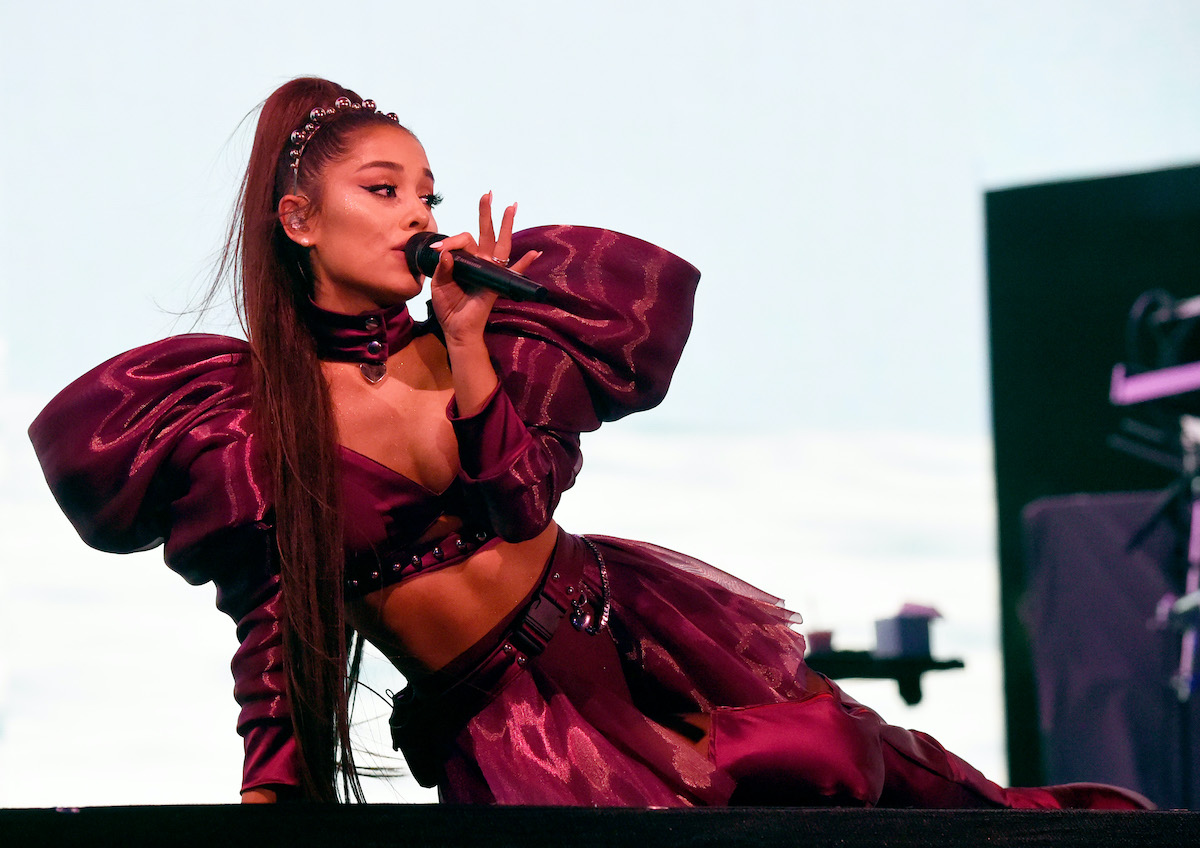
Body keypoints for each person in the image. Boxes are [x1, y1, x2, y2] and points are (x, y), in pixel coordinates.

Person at [28, 77, 1149, 809]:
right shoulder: (243, 421)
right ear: (299, 219)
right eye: (384, 189)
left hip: (632, 630)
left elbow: (518, 503)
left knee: (887, 788)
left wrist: (466, 344)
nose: (420, 212)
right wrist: (271, 800)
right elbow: (277, 644)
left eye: (428, 189)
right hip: (509, 726)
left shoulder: (484, 340)